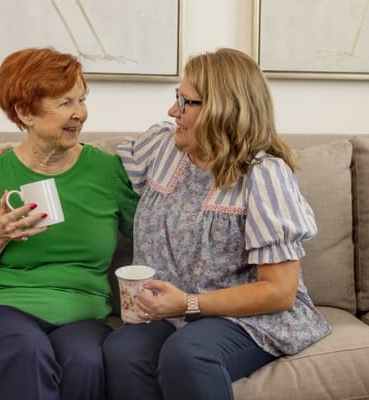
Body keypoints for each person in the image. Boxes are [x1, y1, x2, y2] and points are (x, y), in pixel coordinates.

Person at [103, 47, 332, 400]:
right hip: (169, 314)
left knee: (188, 353)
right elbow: (93, 173)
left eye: (186, 102)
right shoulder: (162, 147)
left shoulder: (264, 176)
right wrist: (25, 156)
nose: (172, 111)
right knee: (122, 350)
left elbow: (279, 292)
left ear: (223, 110)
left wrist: (189, 303)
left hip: (246, 317)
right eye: (176, 98)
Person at [0, 47, 138, 400]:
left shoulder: (108, 172)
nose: (80, 113)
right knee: (28, 352)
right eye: (65, 103)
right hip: (2, 311)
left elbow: (153, 233)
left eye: (81, 99)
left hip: (83, 316)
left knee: (86, 361)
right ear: (24, 112)